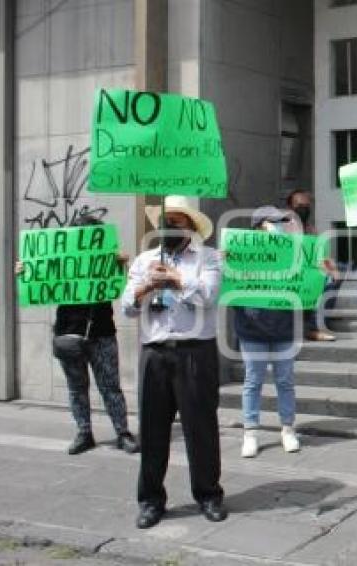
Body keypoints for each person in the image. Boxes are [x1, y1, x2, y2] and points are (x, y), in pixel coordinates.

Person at [122, 195, 227, 529]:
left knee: (201, 429)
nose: (170, 226)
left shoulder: (208, 258)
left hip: (195, 351)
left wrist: (177, 279)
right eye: (167, 221)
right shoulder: (143, 260)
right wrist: (145, 286)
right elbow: (127, 306)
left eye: (178, 221)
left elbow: (208, 297)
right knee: (152, 430)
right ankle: (151, 500)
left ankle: (209, 494)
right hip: (155, 353)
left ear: (192, 228)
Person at [15, 216, 138, 456]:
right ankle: (84, 432)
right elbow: (38, 281)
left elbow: (127, 289)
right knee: (76, 387)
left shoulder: (108, 261)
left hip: (102, 333)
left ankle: (122, 432)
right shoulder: (61, 263)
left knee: (110, 386)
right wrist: (25, 272)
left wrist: (124, 265)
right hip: (68, 333)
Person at [235, 206, 303, 458]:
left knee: (285, 381)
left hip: (284, 329)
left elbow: (308, 286)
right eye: (273, 222)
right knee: (253, 381)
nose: (279, 227)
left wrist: (321, 271)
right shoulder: (240, 254)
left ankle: (287, 428)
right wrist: (224, 262)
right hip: (252, 330)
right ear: (257, 227)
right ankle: (250, 431)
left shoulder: (291, 253)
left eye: (281, 223)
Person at [284, 189, 338, 342]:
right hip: (287, 275)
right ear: (290, 207)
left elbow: (318, 255)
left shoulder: (311, 228)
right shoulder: (280, 227)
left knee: (330, 278)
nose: (303, 208)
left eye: (307, 205)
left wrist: (329, 267)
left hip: (307, 273)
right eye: (299, 205)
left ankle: (316, 326)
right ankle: (311, 329)